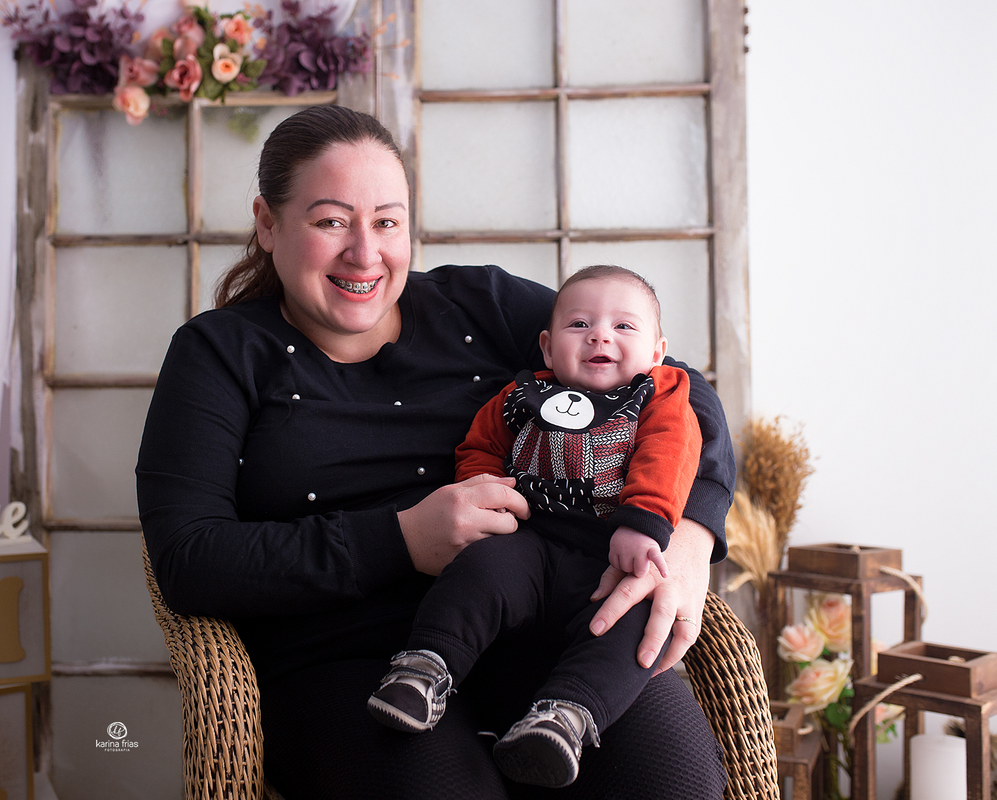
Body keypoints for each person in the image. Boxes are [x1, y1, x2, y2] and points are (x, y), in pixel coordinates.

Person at [136, 105, 735, 799]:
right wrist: (402, 539)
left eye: (387, 222)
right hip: (346, 663)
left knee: (675, 784)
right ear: (268, 223)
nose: (365, 253)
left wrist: (688, 546)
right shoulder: (218, 353)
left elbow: (675, 392)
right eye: (331, 221)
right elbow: (188, 560)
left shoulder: (480, 304)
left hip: (546, 628)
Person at [367, 266, 702, 789]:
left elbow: (671, 454)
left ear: (658, 351)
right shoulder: (521, 396)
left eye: (624, 327)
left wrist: (643, 525)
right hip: (526, 543)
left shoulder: (658, 395)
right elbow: (480, 445)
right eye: (580, 325)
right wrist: (482, 494)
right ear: (547, 348)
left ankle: (564, 718)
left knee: (630, 625)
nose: (600, 335)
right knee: (477, 573)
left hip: (608, 561)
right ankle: (424, 668)